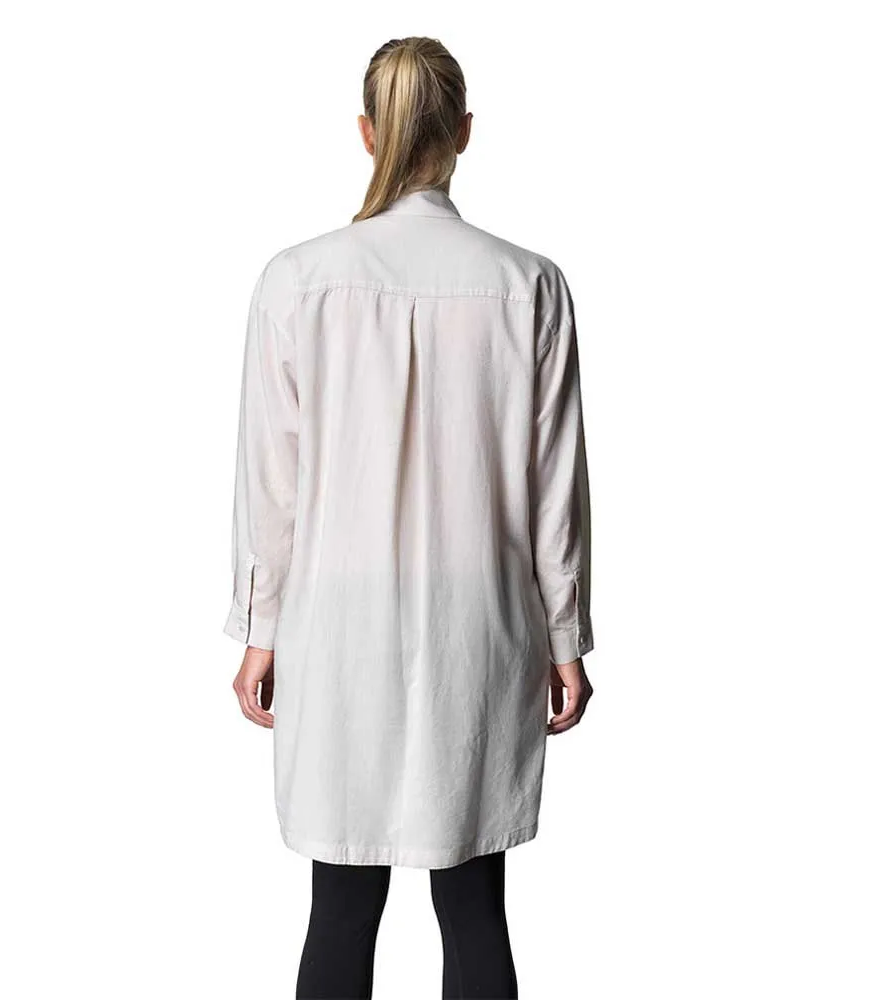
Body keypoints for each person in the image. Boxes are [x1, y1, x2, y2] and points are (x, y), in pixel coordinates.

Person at [226, 36, 595, 1000]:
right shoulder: (529, 284)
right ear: (464, 132)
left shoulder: (298, 279)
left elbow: (271, 480)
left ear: (366, 133)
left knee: (340, 908)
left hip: (337, 623)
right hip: (482, 620)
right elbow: (555, 486)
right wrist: (565, 638)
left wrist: (261, 629)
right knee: (474, 908)